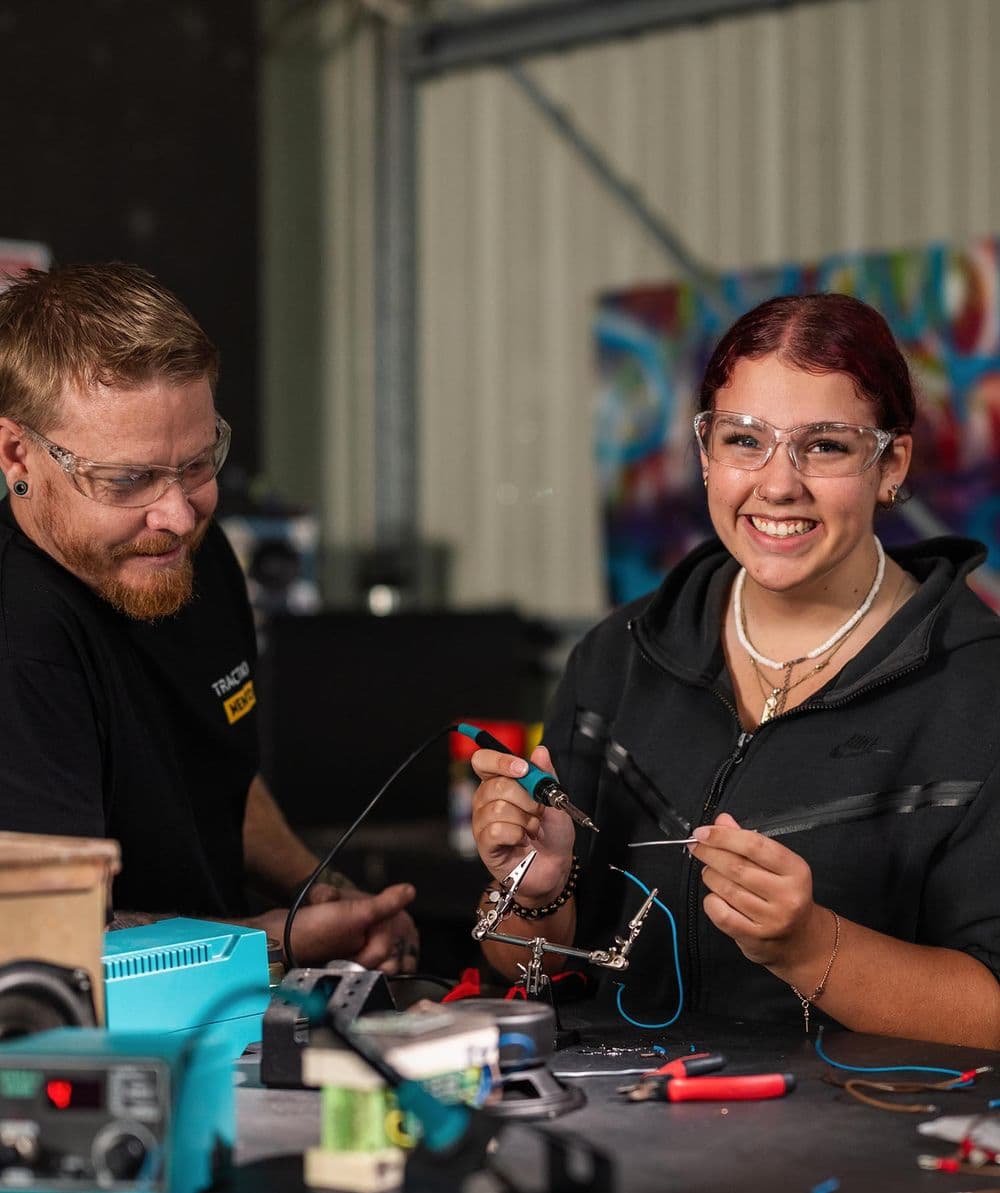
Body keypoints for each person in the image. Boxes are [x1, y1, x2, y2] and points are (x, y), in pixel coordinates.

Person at [471, 292, 1000, 1048]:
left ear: (892, 464)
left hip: (871, 1151)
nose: (777, 484)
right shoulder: (619, 656)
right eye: (744, 440)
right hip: (633, 1134)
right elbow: (528, 971)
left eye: (825, 446)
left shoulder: (980, 693)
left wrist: (812, 947)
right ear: (706, 453)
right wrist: (533, 890)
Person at [0, 261, 417, 972]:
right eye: (127, 480)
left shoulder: (193, 549)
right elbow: (50, 938)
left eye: (197, 465)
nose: (177, 514)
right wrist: (273, 942)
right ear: (18, 455)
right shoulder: (22, 633)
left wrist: (321, 893)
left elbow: (219, 771)